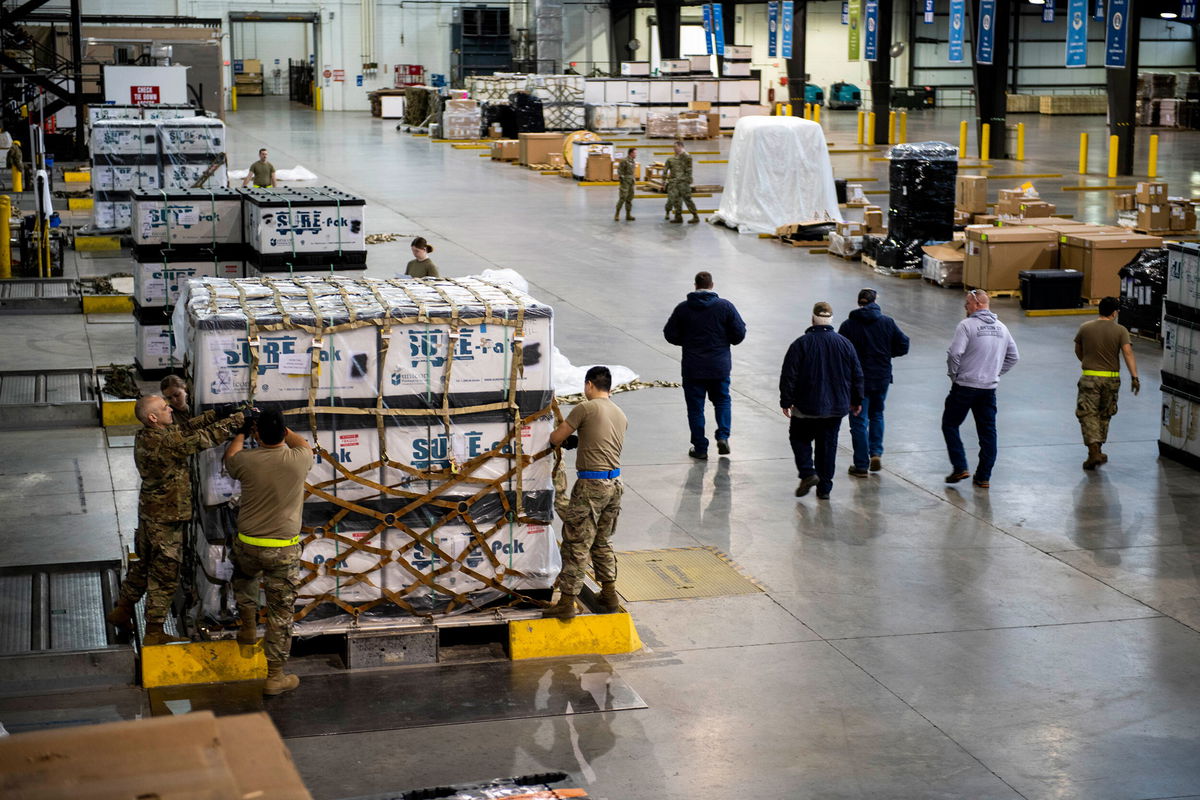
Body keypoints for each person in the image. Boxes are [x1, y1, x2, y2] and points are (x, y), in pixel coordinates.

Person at [106, 396, 244, 644]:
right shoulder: (166, 443)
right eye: (164, 408)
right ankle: (154, 631)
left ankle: (123, 609)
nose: (170, 409)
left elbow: (185, 428)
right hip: (166, 521)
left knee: (144, 565)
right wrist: (240, 420)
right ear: (153, 418)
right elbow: (205, 439)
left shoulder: (148, 436)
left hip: (150, 514)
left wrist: (218, 413)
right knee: (165, 576)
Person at [224, 408, 313, 695]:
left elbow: (230, 456)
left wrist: (242, 431)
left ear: (257, 435)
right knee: (280, 613)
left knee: (244, 576)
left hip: (248, 543)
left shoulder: (246, 461)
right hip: (282, 551)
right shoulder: (299, 459)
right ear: (283, 432)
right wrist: (282, 429)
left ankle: (248, 627)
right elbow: (302, 443)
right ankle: (275, 676)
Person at [544, 366, 628, 619]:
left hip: (591, 486)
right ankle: (609, 593)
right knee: (602, 541)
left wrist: (562, 438)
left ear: (589, 385)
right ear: (609, 387)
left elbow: (555, 438)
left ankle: (566, 603)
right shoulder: (620, 413)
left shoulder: (586, 408)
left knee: (576, 543)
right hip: (615, 485)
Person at [779, 302, 863, 500]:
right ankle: (824, 489)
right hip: (835, 407)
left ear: (812, 319)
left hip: (805, 406)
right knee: (828, 446)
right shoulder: (845, 344)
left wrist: (786, 401)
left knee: (799, 438)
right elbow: (857, 375)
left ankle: (808, 473)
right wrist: (857, 399)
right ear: (832, 320)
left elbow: (789, 375)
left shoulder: (801, 344)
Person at [663, 271, 747, 459]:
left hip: (693, 368)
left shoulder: (683, 309)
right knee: (722, 401)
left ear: (695, 286)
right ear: (712, 285)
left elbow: (669, 334)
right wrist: (725, 340)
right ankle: (723, 436)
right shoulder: (725, 307)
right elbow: (739, 334)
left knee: (695, 409)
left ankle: (700, 448)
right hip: (719, 367)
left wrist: (686, 341)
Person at [942, 289, 1020, 489]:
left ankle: (960, 466)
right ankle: (983, 476)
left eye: (967, 304)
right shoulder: (1002, 328)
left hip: (965, 386)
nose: (965, 307)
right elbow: (1014, 357)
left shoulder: (966, 325)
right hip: (988, 389)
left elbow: (954, 354)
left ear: (977, 305)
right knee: (988, 433)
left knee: (950, 424)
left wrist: (954, 376)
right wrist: (994, 373)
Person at [837, 288, 910, 476]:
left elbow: (841, 353)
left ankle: (861, 465)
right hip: (881, 377)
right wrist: (887, 353)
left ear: (858, 302)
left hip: (857, 382)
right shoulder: (887, 322)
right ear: (875, 300)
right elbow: (904, 344)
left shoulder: (848, 326)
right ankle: (876, 452)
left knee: (858, 421)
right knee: (877, 414)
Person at [1074, 296, 1140, 469]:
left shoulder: (1085, 328)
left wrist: (1086, 361)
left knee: (1088, 414)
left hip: (1089, 377)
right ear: (1114, 312)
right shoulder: (1121, 331)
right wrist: (1134, 377)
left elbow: (1078, 349)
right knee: (1105, 414)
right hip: (1111, 379)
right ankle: (1097, 450)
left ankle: (1093, 451)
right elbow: (1128, 353)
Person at [663, 140, 699, 224]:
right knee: (676, 200)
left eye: (675, 147)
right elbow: (665, 170)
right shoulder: (672, 158)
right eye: (673, 147)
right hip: (675, 182)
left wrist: (688, 180)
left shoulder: (686, 156)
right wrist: (664, 181)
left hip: (683, 182)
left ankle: (695, 216)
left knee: (687, 199)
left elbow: (689, 170)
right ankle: (678, 217)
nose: (674, 149)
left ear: (680, 147)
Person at [613, 147, 637, 222]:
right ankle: (617, 214)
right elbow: (619, 170)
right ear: (631, 153)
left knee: (629, 199)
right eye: (635, 153)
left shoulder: (633, 161)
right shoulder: (624, 160)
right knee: (622, 198)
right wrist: (622, 179)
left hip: (631, 182)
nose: (636, 154)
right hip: (625, 182)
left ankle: (628, 215)